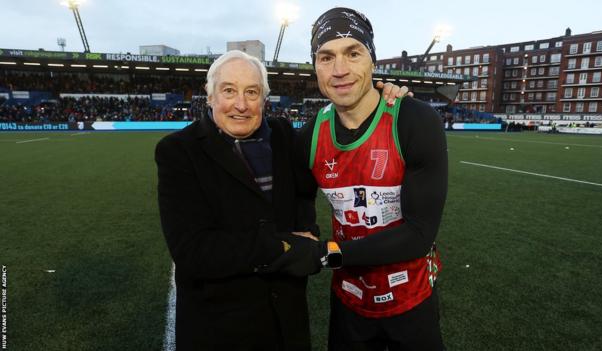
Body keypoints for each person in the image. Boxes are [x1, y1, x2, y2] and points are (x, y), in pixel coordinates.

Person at [156, 49, 411, 350]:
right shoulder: (177, 151)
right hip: (220, 329)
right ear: (209, 96)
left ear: (264, 99)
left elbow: (305, 191)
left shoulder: (284, 135)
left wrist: (381, 98)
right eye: (228, 91)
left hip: (288, 326)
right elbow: (193, 251)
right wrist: (285, 246)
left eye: (251, 92)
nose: (241, 104)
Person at [267, 7, 448, 351]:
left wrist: (326, 253)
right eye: (326, 57)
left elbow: (418, 236)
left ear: (372, 60)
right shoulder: (309, 136)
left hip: (411, 299)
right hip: (349, 301)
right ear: (315, 66)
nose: (339, 70)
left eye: (353, 53)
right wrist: (307, 231)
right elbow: (302, 197)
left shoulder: (414, 121)